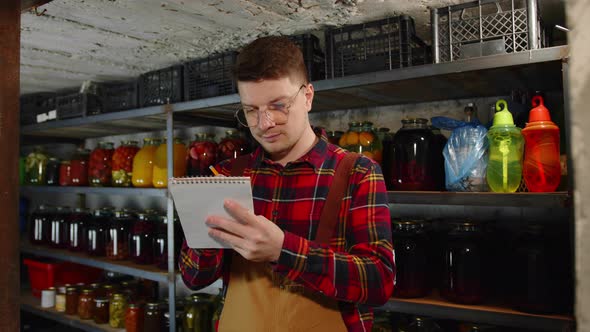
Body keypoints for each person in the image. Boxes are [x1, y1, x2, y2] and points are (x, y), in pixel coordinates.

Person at [179, 36, 394, 331]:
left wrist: (283, 251)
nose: (265, 123)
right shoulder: (226, 175)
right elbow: (193, 279)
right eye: (251, 110)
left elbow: (379, 282)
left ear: (307, 97)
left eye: (278, 105)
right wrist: (208, 235)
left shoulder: (357, 172)